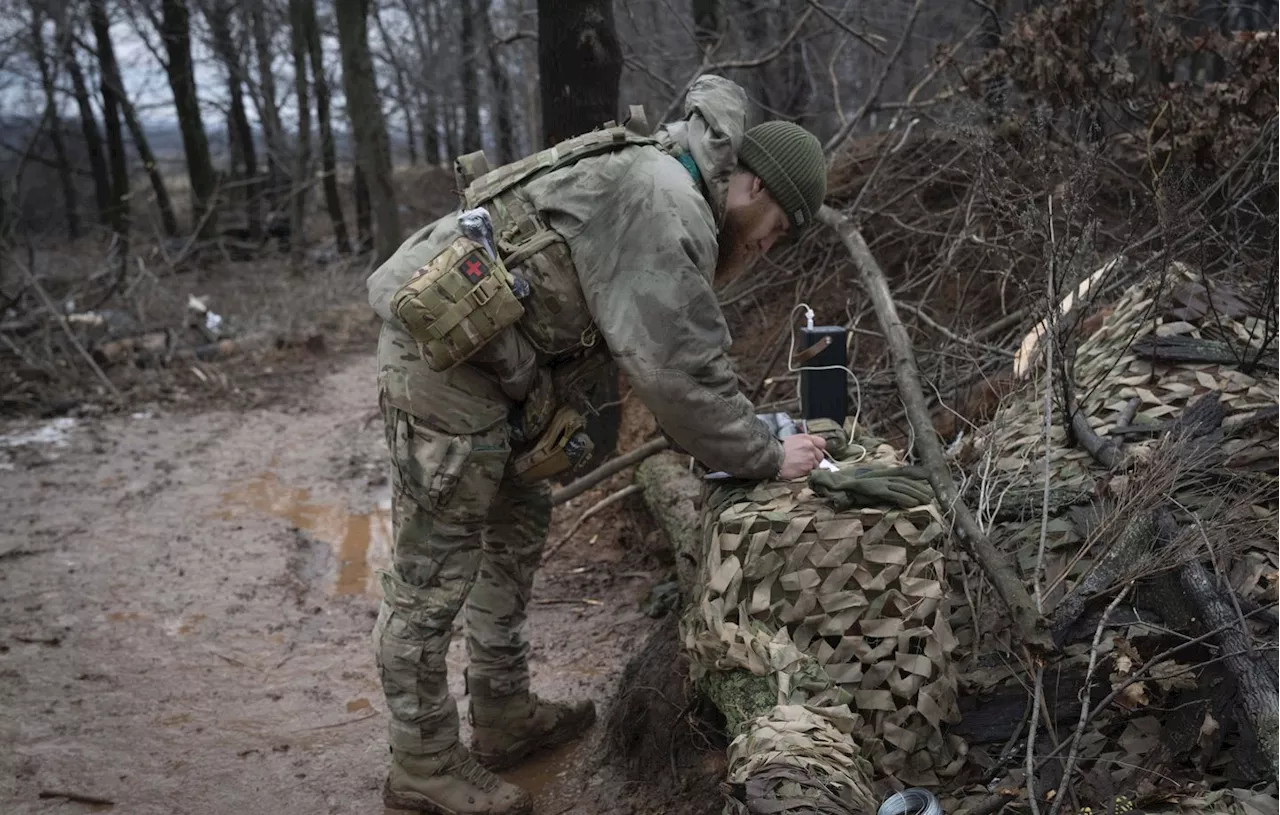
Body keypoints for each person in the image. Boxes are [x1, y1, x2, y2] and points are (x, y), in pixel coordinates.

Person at [364, 74, 829, 815]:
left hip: (498, 362)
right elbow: (678, 373)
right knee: (433, 569)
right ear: (751, 185)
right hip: (446, 358)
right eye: (780, 222)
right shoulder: (667, 201)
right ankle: (421, 761)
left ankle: (503, 711)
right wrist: (768, 455)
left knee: (515, 528)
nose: (772, 245)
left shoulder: (669, 180)